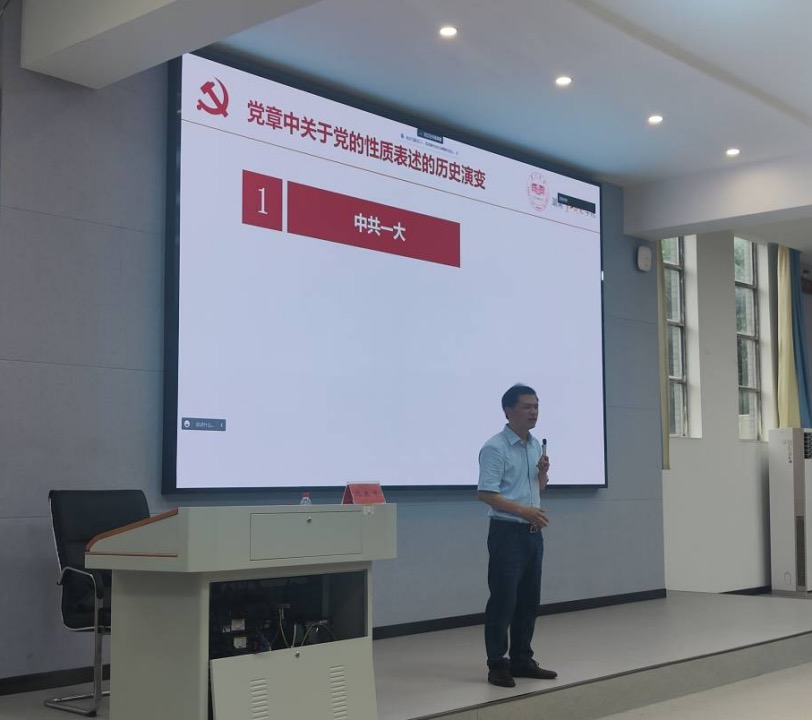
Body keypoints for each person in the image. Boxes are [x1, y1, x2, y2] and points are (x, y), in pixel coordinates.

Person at [477, 384, 557, 687]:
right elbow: (486, 494)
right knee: (503, 600)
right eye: (527, 406)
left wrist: (542, 474)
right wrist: (524, 512)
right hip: (507, 533)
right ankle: (497, 664)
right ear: (508, 411)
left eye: (536, 406)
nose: (534, 411)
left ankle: (522, 660)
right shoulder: (495, 448)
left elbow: (538, 489)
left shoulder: (535, 446)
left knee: (528, 600)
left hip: (533, 533)